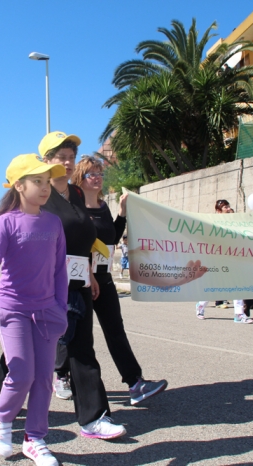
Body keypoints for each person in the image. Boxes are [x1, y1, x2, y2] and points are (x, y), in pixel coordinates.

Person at [0, 131, 126, 440]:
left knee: (80, 348)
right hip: (42, 285)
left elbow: (82, 237)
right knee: (32, 350)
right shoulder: (39, 196)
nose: (66, 163)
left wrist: (89, 272)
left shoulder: (75, 194)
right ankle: (1, 391)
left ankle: (92, 417)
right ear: (45, 162)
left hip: (75, 280)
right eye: (59, 157)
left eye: (70, 157)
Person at [0, 153, 68, 465]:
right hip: (13, 310)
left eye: (47, 182)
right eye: (37, 181)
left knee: (45, 377)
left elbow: (60, 269)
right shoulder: (5, 223)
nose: (45, 188)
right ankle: (2, 417)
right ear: (18, 185)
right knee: (21, 371)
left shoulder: (54, 223)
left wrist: (60, 307)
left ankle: (35, 439)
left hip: (48, 312)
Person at [70, 155, 168, 405]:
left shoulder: (103, 207)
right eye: (92, 174)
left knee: (115, 330)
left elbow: (112, 238)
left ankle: (135, 382)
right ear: (80, 177)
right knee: (74, 335)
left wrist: (122, 213)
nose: (98, 178)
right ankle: (62, 375)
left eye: (100, 173)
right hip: (78, 278)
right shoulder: (72, 206)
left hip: (103, 277)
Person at [196, 200, 253, 323]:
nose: (228, 209)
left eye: (228, 207)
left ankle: (239, 314)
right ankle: (201, 305)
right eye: (225, 207)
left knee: (238, 285)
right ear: (218, 211)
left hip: (233, 258)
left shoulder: (234, 223)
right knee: (214, 287)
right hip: (216, 259)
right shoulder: (211, 224)